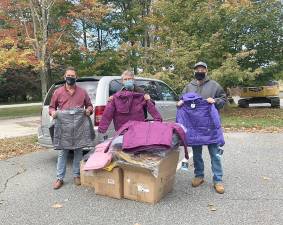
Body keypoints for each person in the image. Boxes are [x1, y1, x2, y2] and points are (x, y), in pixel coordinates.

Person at [177, 61, 227, 194]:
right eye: (197, 69)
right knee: (197, 154)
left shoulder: (214, 85)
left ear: (206, 70)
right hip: (194, 127)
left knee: (215, 154)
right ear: (194, 71)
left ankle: (218, 180)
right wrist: (180, 101)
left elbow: (223, 99)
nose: (200, 71)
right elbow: (181, 98)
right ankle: (199, 176)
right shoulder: (189, 86)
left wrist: (215, 101)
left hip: (209, 126)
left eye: (202, 69)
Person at [49, 67, 93, 190]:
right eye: (68, 75)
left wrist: (89, 110)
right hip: (64, 126)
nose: (70, 78)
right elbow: (51, 107)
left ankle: (76, 175)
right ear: (64, 77)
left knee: (78, 152)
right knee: (63, 152)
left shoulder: (82, 92)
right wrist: (53, 113)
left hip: (79, 126)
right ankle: (59, 178)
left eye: (73, 76)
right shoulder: (58, 92)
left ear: (76, 78)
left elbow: (89, 105)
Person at [98, 70, 162, 134]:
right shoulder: (117, 95)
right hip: (122, 129)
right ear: (122, 81)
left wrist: (148, 100)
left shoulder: (141, 92)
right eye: (125, 79)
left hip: (138, 127)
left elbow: (151, 105)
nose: (127, 81)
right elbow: (108, 113)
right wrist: (102, 128)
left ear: (133, 80)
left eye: (129, 79)